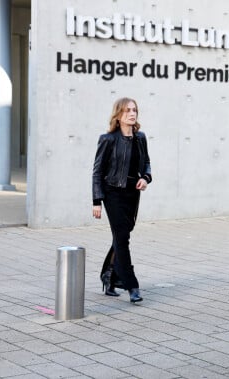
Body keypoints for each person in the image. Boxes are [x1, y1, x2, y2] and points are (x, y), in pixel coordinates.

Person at [92, 97, 152, 304]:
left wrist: (145, 179)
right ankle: (131, 285)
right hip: (112, 193)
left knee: (121, 235)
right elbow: (97, 171)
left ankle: (109, 276)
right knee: (122, 238)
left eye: (134, 110)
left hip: (132, 194)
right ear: (118, 115)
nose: (132, 113)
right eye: (127, 110)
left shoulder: (140, 138)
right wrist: (96, 201)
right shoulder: (107, 139)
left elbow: (146, 164)